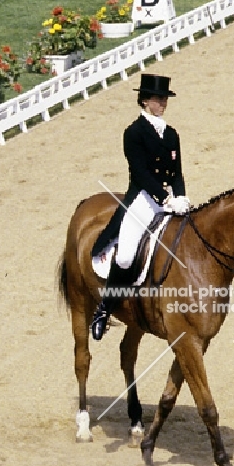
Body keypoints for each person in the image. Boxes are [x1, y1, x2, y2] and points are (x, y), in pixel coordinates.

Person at [90, 73, 190, 340]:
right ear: (145, 101)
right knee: (124, 256)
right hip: (143, 199)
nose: (163, 104)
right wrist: (165, 198)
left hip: (169, 199)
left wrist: (180, 196)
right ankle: (104, 308)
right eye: (159, 99)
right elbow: (141, 172)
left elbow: (177, 172)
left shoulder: (171, 134)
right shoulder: (134, 133)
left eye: (165, 99)